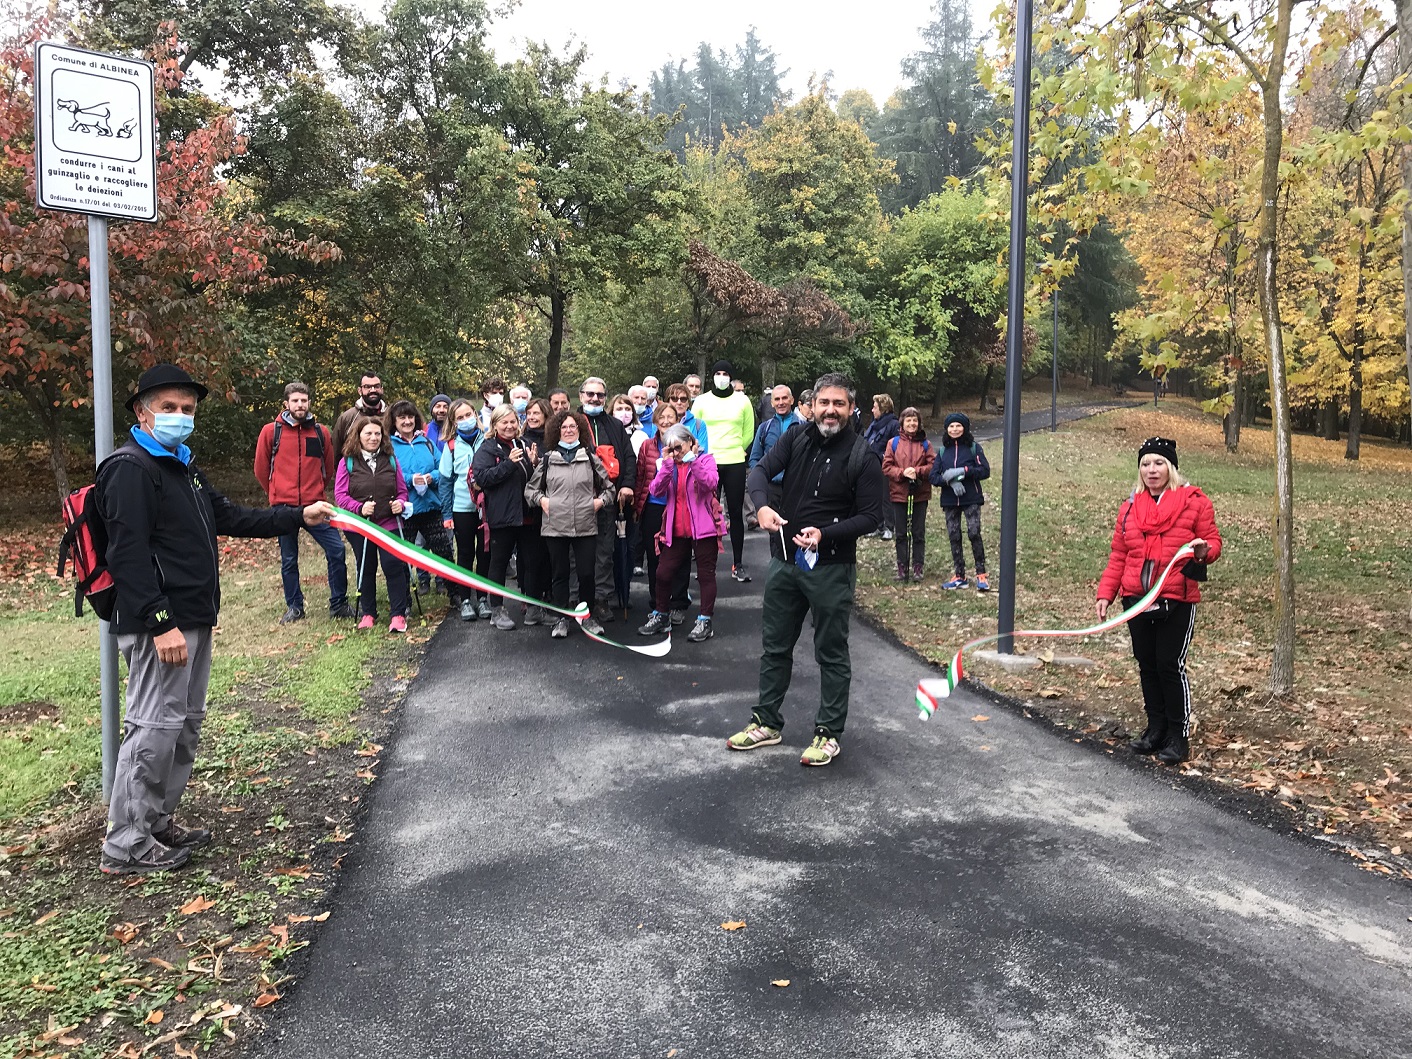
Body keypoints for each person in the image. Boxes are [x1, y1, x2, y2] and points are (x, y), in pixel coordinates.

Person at [97, 365, 335, 875]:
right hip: (161, 624)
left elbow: (230, 516)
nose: (180, 417)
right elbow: (127, 555)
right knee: (154, 727)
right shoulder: (130, 468)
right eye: (168, 408)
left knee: (183, 726)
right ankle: (126, 841)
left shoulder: (183, 466)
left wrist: (299, 515)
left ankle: (157, 821)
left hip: (195, 616)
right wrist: (160, 622)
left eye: (187, 409)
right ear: (141, 412)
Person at [730, 373, 887, 767]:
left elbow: (872, 516)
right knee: (775, 646)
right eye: (824, 403)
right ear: (812, 405)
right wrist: (762, 506)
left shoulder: (863, 456)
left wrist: (826, 534)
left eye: (839, 404)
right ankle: (766, 722)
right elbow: (759, 471)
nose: (830, 411)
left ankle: (828, 733)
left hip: (830, 568)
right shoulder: (795, 437)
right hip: (785, 562)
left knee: (830, 652)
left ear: (852, 408)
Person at [1096, 437, 1221, 765]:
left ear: (1171, 467)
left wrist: (1205, 552)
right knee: (1147, 663)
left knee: (1169, 664)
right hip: (1136, 598)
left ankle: (1178, 736)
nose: (1152, 470)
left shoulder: (1195, 502)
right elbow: (1119, 554)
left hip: (1177, 597)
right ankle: (1155, 729)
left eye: (1159, 463)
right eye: (1146, 464)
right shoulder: (1129, 507)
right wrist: (1106, 594)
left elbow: (1212, 541)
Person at [253, 381, 351, 624]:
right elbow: (261, 469)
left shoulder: (320, 432)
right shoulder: (271, 432)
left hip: (315, 505)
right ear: (286, 403)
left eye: (304, 400)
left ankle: (338, 603)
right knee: (289, 559)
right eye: (295, 401)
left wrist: (315, 490)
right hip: (283, 507)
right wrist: (275, 493)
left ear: (309, 403)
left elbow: (328, 467)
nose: (300, 405)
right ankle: (294, 607)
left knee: (336, 550)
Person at [524, 410, 613, 639]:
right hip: (555, 527)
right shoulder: (547, 460)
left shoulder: (590, 458)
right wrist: (542, 501)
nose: (569, 430)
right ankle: (561, 618)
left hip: (585, 525)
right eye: (564, 427)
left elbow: (609, 489)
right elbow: (530, 490)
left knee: (586, 574)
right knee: (560, 575)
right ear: (557, 431)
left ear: (580, 430)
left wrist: (599, 502)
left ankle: (587, 617)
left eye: (573, 426)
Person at [638, 424, 721, 643]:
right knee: (663, 573)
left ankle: (705, 620)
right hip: (676, 529)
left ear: (691, 443)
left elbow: (710, 483)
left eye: (679, 448)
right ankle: (661, 614)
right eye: (671, 448)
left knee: (705, 574)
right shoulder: (670, 465)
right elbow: (656, 490)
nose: (676, 453)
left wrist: (693, 461)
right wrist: (666, 465)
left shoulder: (706, 460)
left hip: (703, 529)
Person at [335, 416, 411, 633]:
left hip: (388, 522)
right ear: (358, 436)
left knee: (393, 565)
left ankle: (398, 614)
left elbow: (402, 491)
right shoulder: (347, 462)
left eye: (377, 433)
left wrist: (400, 504)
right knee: (366, 567)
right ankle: (368, 613)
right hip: (361, 525)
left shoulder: (391, 460)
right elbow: (340, 496)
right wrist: (359, 508)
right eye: (368, 433)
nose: (373, 437)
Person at [577, 377, 636, 623]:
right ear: (581, 395)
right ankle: (577, 600)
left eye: (600, 395)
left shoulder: (615, 425)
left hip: (609, 497)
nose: (595, 399)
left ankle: (601, 598)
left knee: (605, 551)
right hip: (577, 499)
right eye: (590, 394)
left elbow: (629, 458)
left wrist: (627, 485)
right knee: (576, 553)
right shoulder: (571, 422)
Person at [473, 405, 537, 630]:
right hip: (502, 516)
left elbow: (533, 477)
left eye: (513, 422)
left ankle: (533, 607)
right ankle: (497, 609)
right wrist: (509, 463)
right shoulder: (488, 449)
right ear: (495, 424)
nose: (509, 426)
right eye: (504, 422)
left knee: (531, 562)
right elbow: (482, 478)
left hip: (527, 514)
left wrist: (535, 463)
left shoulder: (524, 443)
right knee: (498, 563)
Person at [693, 360, 755, 583]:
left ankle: (738, 564)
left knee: (736, 513)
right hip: (708, 462)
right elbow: (694, 430)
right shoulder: (701, 401)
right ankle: (706, 564)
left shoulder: (742, 401)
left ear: (731, 377)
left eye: (725, 373)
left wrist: (737, 448)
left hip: (735, 461)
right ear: (712, 376)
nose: (721, 377)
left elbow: (748, 432)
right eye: (717, 373)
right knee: (707, 513)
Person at [386, 399, 452, 596]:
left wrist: (432, 477)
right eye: (402, 417)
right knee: (403, 559)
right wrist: (409, 479)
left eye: (410, 417)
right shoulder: (388, 446)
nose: (407, 421)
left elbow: (443, 468)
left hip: (431, 507)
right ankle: (403, 601)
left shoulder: (427, 443)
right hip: (405, 510)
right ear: (394, 421)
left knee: (445, 553)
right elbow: (388, 474)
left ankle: (456, 595)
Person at [634, 403, 691, 626]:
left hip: (678, 506)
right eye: (662, 417)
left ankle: (678, 603)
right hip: (654, 506)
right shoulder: (647, 446)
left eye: (671, 417)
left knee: (680, 556)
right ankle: (658, 604)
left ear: (678, 420)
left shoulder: (685, 443)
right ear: (655, 421)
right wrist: (638, 506)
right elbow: (641, 476)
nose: (666, 421)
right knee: (654, 557)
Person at [439, 398, 490, 622]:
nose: (465, 420)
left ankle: (483, 597)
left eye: (468, 415)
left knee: (485, 553)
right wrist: (447, 514)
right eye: (460, 417)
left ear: (475, 415)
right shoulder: (451, 446)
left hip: (487, 507)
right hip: (462, 508)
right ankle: (466, 599)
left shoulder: (488, 440)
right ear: (453, 422)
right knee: (466, 553)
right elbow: (445, 482)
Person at [929, 412, 991, 592]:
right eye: (951, 426)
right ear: (946, 429)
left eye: (958, 426)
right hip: (950, 500)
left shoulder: (973, 448)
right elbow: (933, 476)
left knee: (974, 533)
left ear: (965, 428)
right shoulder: (943, 451)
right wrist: (950, 481)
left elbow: (984, 471)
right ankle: (959, 575)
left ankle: (981, 574)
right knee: (954, 536)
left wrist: (963, 471)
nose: (955, 429)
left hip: (971, 498)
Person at [880, 407, 934, 582]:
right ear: (902, 423)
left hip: (920, 493)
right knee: (901, 533)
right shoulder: (893, 443)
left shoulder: (925, 444)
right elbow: (886, 467)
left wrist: (917, 471)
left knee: (918, 532)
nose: (912, 423)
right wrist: (902, 473)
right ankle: (902, 567)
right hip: (899, 493)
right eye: (908, 420)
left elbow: (933, 466)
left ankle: (918, 567)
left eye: (915, 420)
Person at [748, 385, 800, 513]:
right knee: (773, 526)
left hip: (796, 489)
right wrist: (762, 479)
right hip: (771, 489)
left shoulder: (804, 427)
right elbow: (754, 459)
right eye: (777, 399)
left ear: (792, 400)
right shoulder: (764, 428)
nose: (781, 402)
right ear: (772, 403)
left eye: (784, 398)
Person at [863, 394, 900, 540]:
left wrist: (885, 458)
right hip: (871, 465)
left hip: (885, 466)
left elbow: (896, 447)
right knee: (874, 496)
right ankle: (876, 525)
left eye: (875, 407)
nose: (872, 410)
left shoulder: (894, 424)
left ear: (883, 408)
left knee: (886, 497)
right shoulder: (874, 424)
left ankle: (889, 526)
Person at [332, 371, 386, 457]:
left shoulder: (391, 416)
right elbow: (335, 453)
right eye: (367, 387)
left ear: (381, 389)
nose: (373, 390)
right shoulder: (347, 418)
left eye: (377, 386)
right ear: (360, 391)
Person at [666, 383, 709, 452]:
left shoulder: (699, 424)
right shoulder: (661, 423)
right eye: (674, 399)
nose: (679, 402)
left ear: (688, 403)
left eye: (683, 399)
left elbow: (703, 452)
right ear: (668, 402)